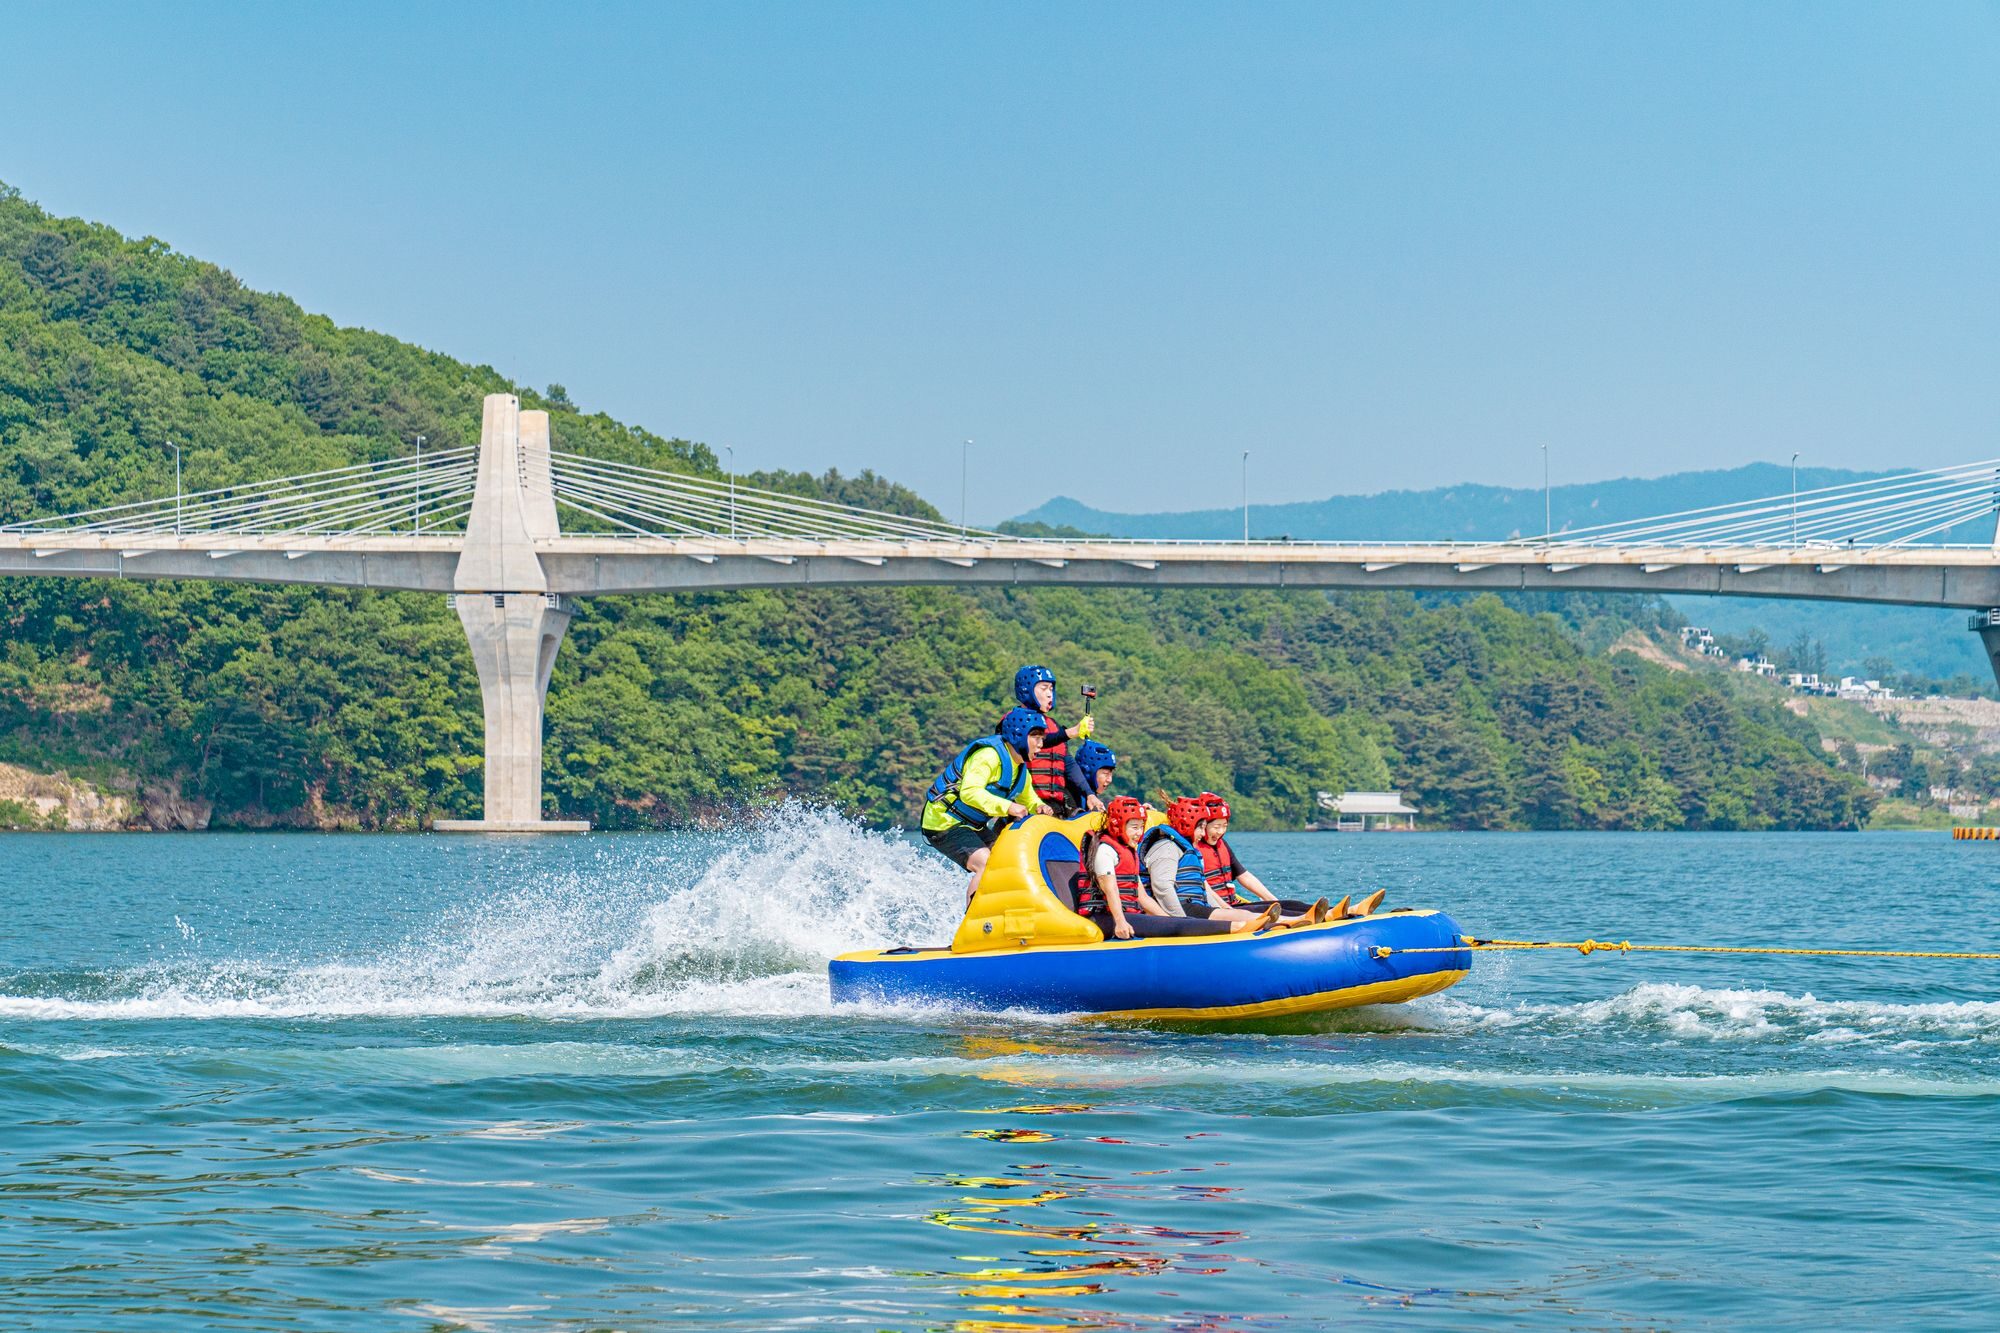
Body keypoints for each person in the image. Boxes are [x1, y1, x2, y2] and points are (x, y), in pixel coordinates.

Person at [1076, 797, 1275, 940]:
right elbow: (1110, 890)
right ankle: (1241, 928)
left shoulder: (1128, 852)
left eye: (1141, 827)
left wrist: (1166, 919)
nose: (1139, 833)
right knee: (1180, 923)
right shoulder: (1104, 851)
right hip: (1104, 916)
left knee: (1176, 922)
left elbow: (1142, 897)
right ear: (1118, 825)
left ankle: (1246, 927)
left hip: (1128, 913)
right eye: (1134, 827)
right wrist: (1120, 922)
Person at [922, 707, 1054, 900]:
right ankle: (972, 920)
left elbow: (1029, 800)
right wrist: (1008, 806)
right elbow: (969, 792)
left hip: (972, 826)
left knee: (1009, 859)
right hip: (944, 822)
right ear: (1019, 735)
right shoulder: (988, 756)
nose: (1041, 744)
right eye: (1036, 737)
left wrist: (1040, 807)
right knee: (986, 862)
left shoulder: (1020, 771)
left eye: (1042, 738)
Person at [1146, 797, 1327, 927]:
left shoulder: (1188, 849)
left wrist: (1220, 908)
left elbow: (1202, 887)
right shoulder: (1167, 847)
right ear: (1188, 824)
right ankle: (1295, 922)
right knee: (1242, 914)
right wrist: (1181, 922)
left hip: (1197, 905)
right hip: (1186, 908)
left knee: (1280, 904)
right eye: (1202, 827)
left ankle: (1311, 917)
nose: (1203, 833)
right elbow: (1163, 887)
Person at [1198, 794, 1384, 919]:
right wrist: (1226, 909)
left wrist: (1272, 899)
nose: (1220, 832)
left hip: (1234, 904)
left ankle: (1346, 911)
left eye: (1224, 826)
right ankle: (1329, 916)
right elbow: (1203, 886)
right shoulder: (1194, 849)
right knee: (1274, 910)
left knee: (1288, 904)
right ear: (1202, 824)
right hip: (1224, 909)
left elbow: (1244, 876)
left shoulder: (1222, 845)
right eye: (1216, 827)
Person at [1003, 665, 1098, 817]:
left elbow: (1068, 763)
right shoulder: (1011, 722)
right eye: (1044, 688)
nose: (1049, 694)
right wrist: (1070, 733)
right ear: (1027, 689)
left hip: (1056, 807)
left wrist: (1089, 793)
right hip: (1024, 807)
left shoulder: (1054, 726)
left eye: (1051, 689)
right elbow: (1028, 743)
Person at [1072, 740, 1117, 810]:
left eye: (1111, 773)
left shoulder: (1094, 799)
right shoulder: (1071, 798)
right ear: (1087, 773)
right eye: (1106, 774)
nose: (1110, 780)